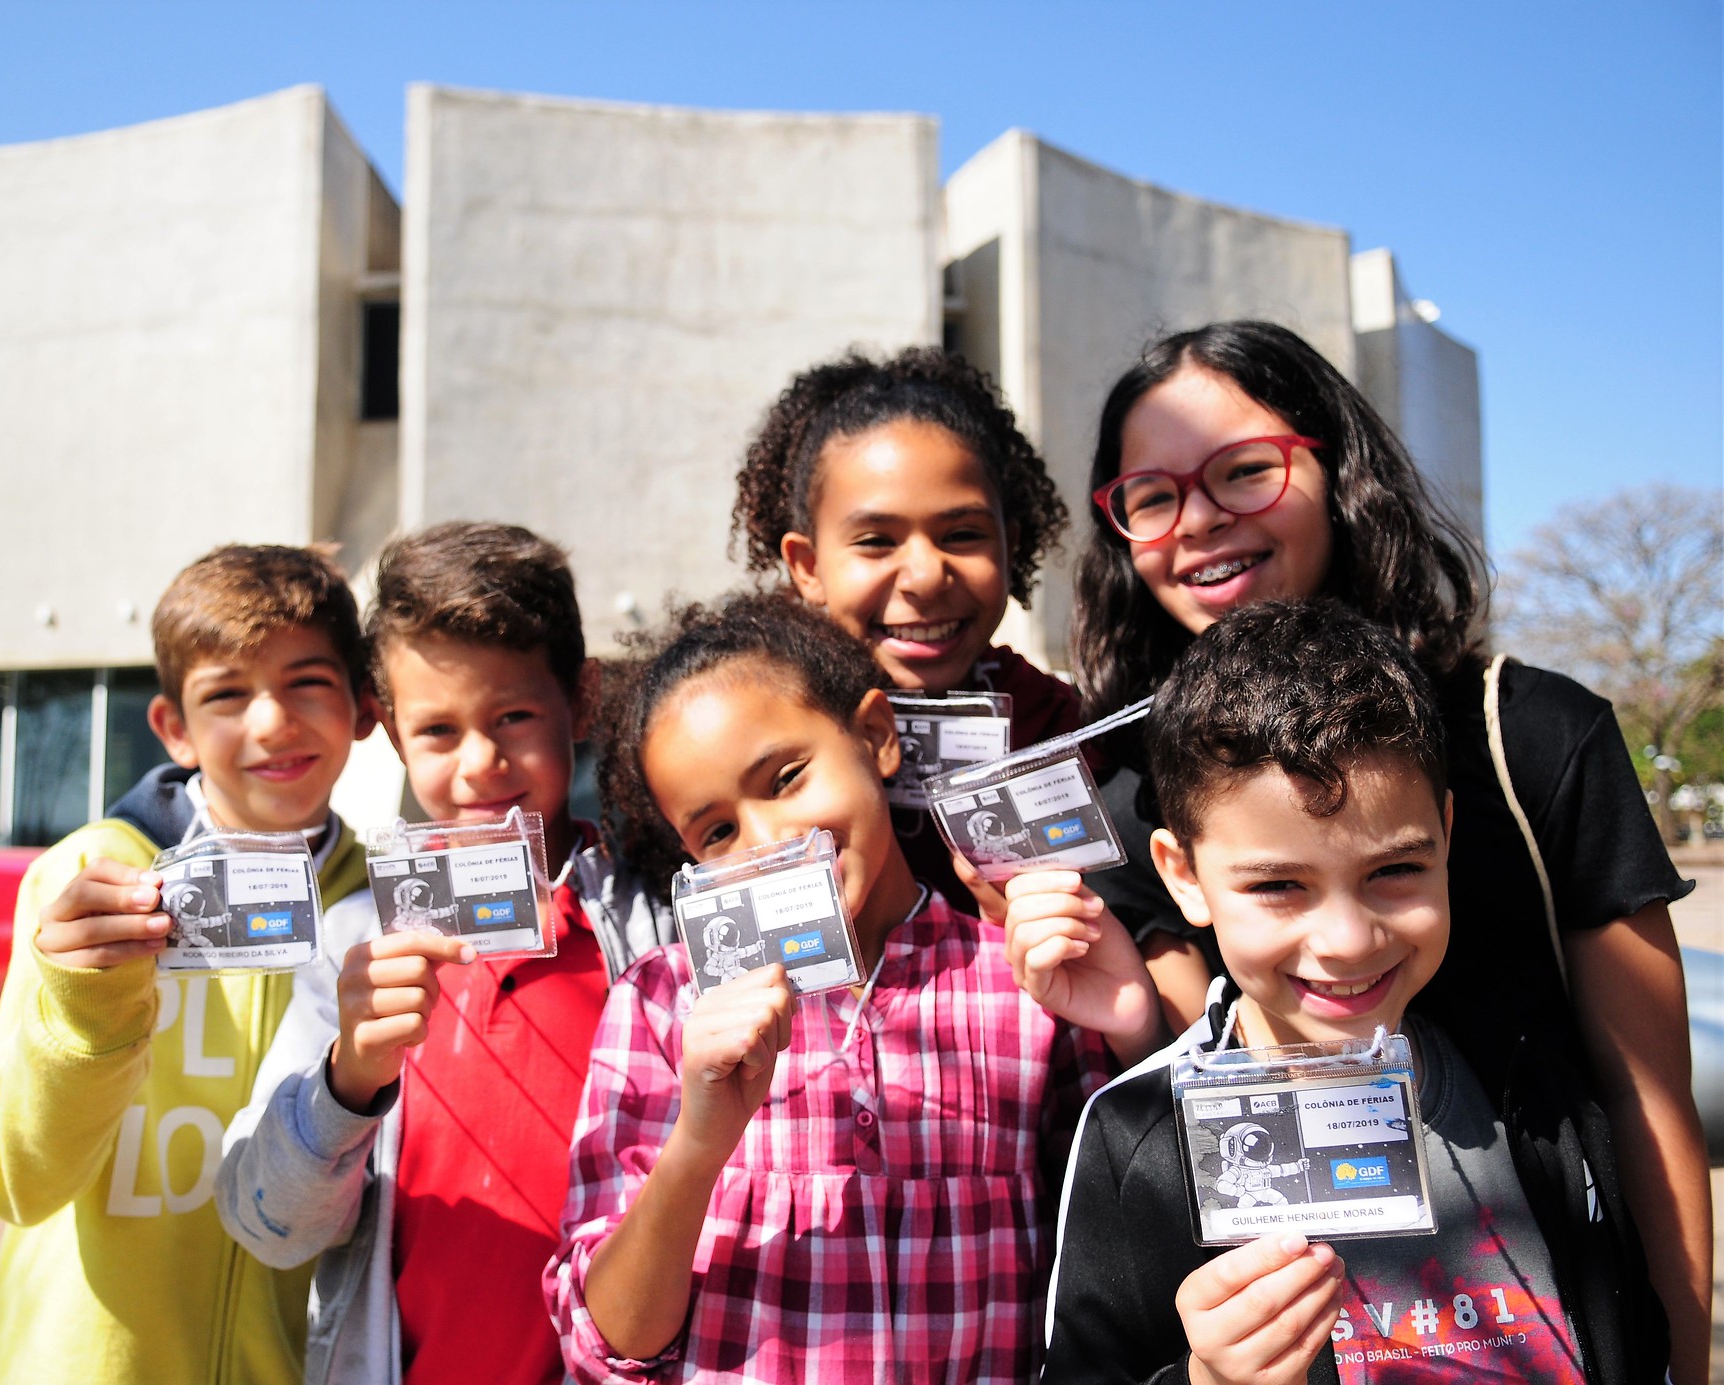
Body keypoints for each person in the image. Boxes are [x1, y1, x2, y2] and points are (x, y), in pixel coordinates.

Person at [1070, 321, 1708, 1380]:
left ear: (1337, 468)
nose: (1200, 519)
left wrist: (1679, 1360)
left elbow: (1648, 1100)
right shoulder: (1130, 806)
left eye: (1244, 470)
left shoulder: (1527, 734)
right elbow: (1203, 1073)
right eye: (1152, 495)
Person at [1044, 600, 1667, 1385]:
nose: (1347, 938)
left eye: (1394, 869)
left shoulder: (1531, 1080)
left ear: (1445, 835)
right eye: (1278, 885)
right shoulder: (1135, 1136)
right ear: (1183, 875)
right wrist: (1207, 1379)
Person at [548, 591, 1163, 1382]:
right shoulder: (663, 1003)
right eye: (718, 831)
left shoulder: (1026, 981)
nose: (770, 841)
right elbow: (604, 1344)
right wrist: (698, 1145)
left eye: (786, 777)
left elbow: (1123, 1260)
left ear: (875, 736)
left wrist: (1137, 1034)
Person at [214, 522, 675, 1385]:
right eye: (437, 730)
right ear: (390, 732)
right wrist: (348, 1079)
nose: (481, 763)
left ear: (581, 699)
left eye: (514, 716)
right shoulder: (356, 942)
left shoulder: (663, 926)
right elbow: (264, 1222)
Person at [0, 543, 376, 1384]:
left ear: (364, 707)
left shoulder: (381, 900)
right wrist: (84, 1012)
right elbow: (13, 1182)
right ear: (174, 728)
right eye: (227, 694)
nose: (272, 722)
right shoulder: (88, 878)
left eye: (306, 682)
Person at [730, 346, 1086, 905]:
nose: (925, 577)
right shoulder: (752, 734)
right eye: (876, 541)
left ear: (1009, 545)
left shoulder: (1063, 732)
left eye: (962, 535)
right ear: (808, 567)